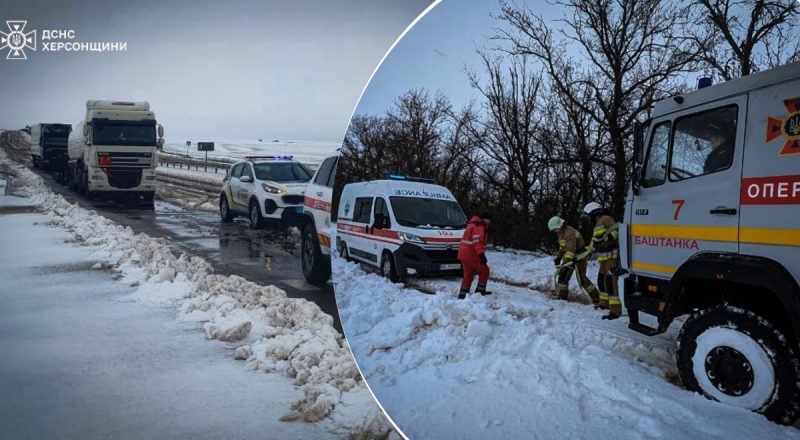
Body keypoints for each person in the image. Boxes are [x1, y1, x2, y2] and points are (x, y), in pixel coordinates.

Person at [547, 216, 600, 305]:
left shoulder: (569, 233)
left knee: (582, 279)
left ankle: (597, 299)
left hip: (580, 257)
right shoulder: (560, 232)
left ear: (559, 226)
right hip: (571, 256)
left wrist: (564, 264)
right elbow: (563, 247)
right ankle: (562, 296)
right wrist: (559, 257)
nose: (555, 231)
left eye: (555, 229)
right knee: (563, 276)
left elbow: (570, 251)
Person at [583, 202, 621, 320]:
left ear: (593, 212)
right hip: (603, 258)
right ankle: (604, 304)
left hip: (611, 257)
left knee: (610, 282)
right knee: (601, 279)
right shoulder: (598, 223)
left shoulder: (606, 219)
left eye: (588, 215)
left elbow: (615, 233)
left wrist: (604, 238)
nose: (589, 218)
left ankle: (615, 311)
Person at [457, 211, 492, 299]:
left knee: (468, 274)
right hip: (472, 254)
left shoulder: (471, 224)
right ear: (484, 219)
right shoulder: (479, 226)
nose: (489, 222)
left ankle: (463, 294)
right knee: (485, 270)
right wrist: (481, 255)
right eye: (488, 219)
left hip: (463, 253)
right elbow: (477, 242)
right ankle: (480, 291)